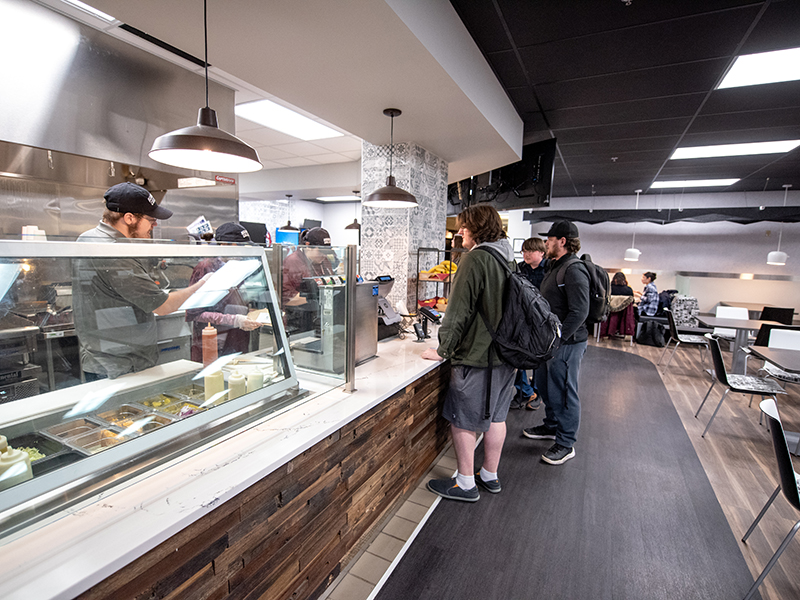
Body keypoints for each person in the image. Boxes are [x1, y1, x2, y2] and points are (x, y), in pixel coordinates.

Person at [421, 205, 516, 502]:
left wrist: (443, 350)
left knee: (462, 419)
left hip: (477, 355)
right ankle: (489, 474)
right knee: (497, 417)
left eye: (465, 226)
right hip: (506, 354)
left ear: (478, 228)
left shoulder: (475, 259)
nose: (460, 231)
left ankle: (465, 483)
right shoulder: (508, 258)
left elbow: (458, 311)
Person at [73, 183, 211, 379]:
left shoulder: (87, 238)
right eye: (151, 220)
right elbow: (162, 306)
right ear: (129, 218)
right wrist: (201, 285)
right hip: (121, 364)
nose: (154, 226)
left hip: (106, 357)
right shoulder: (113, 251)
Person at [522, 219, 589, 466]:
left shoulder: (574, 269)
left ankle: (565, 442)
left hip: (567, 344)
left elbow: (579, 311)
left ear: (562, 241)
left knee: (563, 392)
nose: (546, 242)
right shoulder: (555, 266)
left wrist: (559, 339)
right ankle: (551, 426)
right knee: (545, 385)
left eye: (550, 239)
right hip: (549, 342)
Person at [185, 222, 261, 363]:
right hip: (213, 341)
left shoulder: (237, 266)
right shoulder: (206, 268)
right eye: (239, 245)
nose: (243, 251)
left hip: (237, 339)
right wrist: (234, 320)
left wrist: (251, 313)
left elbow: (233, 301)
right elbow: (194, 313)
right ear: (224, 245)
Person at [511, 237, 549, 410]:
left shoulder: (549, 269)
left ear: (541, 252)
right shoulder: (521, 269)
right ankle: (524, 391)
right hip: (522, 319)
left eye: (529, 251)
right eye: (524, 250)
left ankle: (538, 392)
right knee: (518, 357)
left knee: (539, 358)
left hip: (542, 321)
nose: (525, 254)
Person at [281, 227, 336, 334]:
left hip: (320, 318)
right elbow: (286, 297)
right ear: (308, 246)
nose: (324, 255)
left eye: (326, 252)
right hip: (298, 321)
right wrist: (314, 297)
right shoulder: (292, 262)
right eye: (320, 251)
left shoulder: (324, 261)